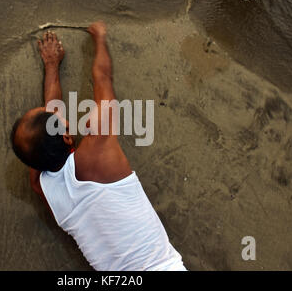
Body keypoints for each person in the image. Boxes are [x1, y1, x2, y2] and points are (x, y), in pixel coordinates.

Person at [10, 21, 186, 271]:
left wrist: (51, 66)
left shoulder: (41, 186)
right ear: (67, 138)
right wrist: (100, 38)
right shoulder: (98, 149)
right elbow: (103, 78)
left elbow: (48, 120)